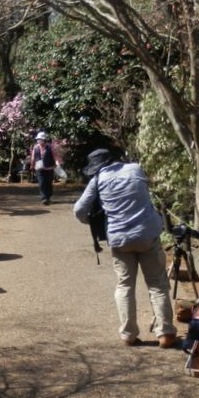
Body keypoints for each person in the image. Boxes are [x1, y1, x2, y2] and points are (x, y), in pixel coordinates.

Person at [73, 149, 178, 348]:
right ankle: (165, 334)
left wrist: (90, 221)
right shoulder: (136, 168)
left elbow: (79, 210)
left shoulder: (98, 179)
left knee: (125, 285)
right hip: (148, 235)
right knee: (157, 284)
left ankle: (128, 334)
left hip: (120, 239)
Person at [30, 131, 62, 205]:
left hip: (49, 168)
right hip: (39, 168)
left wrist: (57, 163)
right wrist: (32, 165)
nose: (39, 140)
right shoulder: (35, 147)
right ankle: (44, 198)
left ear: (44, 140)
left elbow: (55, 156)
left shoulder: (50, 147)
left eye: (40, 139)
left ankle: (48, 197)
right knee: (41, 183)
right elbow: (33, 157)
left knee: (48, 183)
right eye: (38, 139)